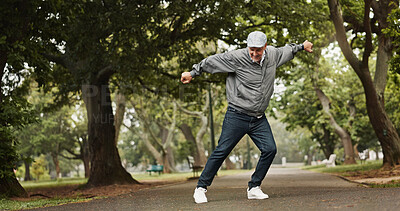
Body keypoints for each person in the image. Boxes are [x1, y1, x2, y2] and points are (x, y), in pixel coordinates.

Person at [180, 31, 313, 204]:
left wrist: (302, 46)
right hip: (237, 115)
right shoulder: (236, 58)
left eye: (258, 50)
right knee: (222, 151)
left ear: (265, 47)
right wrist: (192, 72)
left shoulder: (273, 54)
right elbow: (212, 61)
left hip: (258, 118)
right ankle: (200, 188)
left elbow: (287, 50)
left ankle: (254, 187)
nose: (254, 54)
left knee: (270, 149)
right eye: (252, 50)